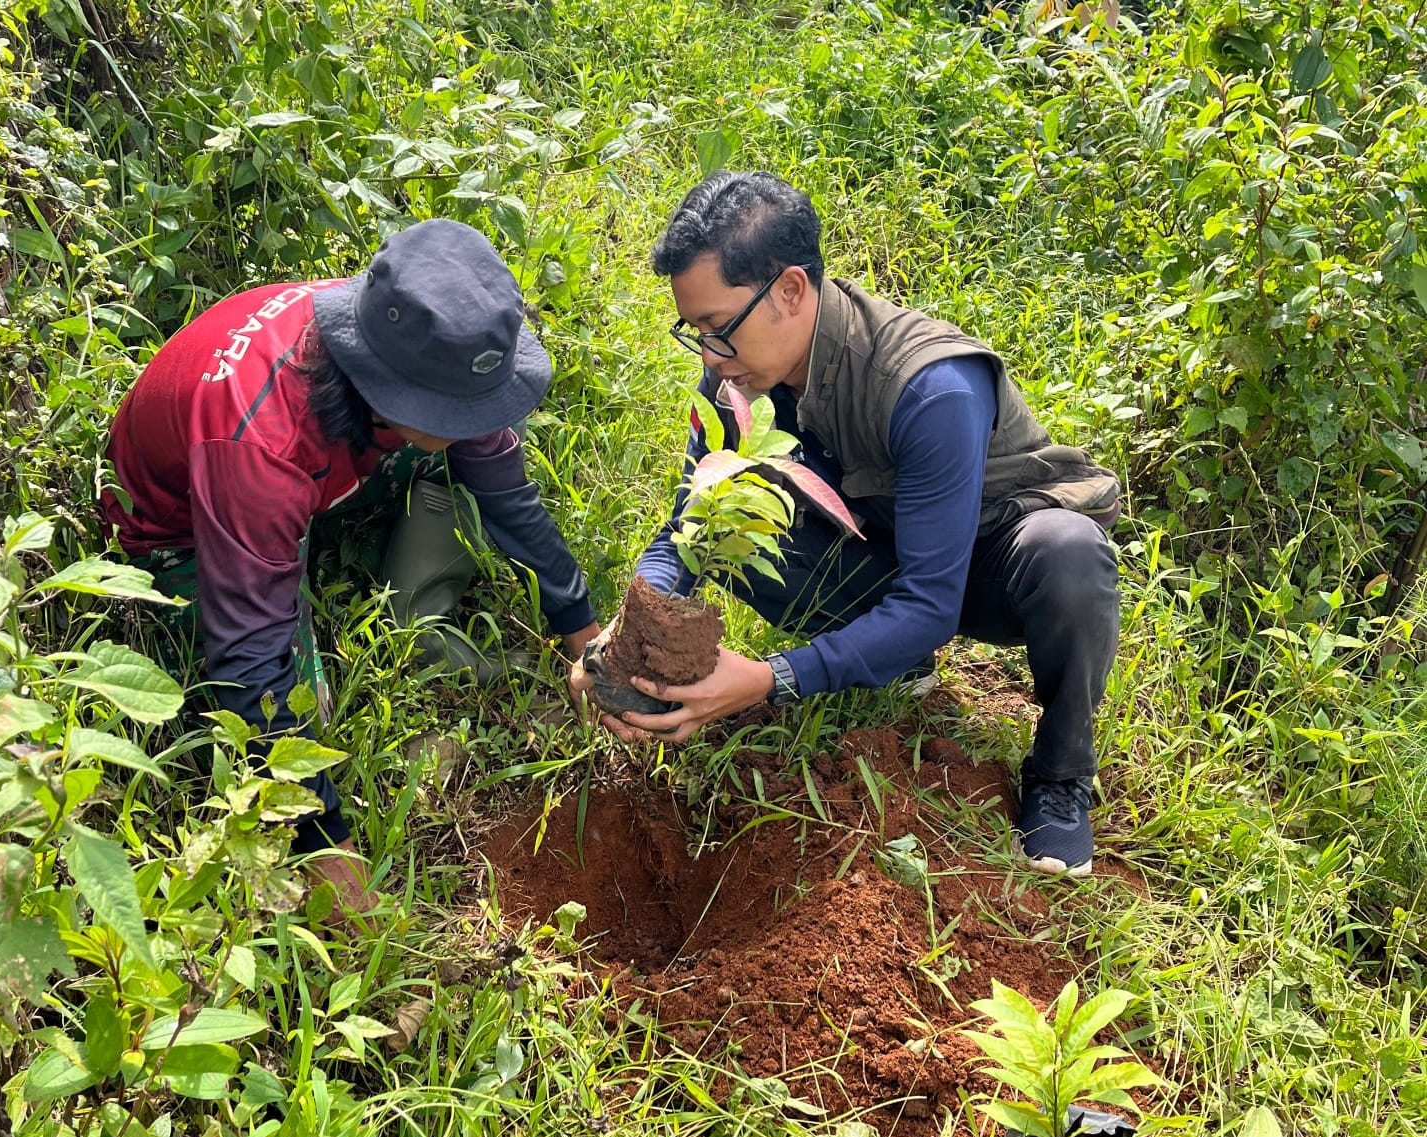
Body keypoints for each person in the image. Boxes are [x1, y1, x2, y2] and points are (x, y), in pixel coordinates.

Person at [570, 172, 1120, 876]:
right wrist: (628, 629)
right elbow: (689, 526)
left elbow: (932, 602)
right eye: (695, 332)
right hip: (886, 540)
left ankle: (1062, 775)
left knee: (1069, 552)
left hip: (991, 565)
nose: (708, 356)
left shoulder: (929, 386)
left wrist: (767, 678)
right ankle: (898, 660)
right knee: (737, 521)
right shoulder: (738, 379)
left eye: (719, 329)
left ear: (790, 291)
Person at [103, 219, 601, 909]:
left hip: (313, 461)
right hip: (186, 524)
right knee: (296, 712)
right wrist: (324, 844)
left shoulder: (420, 331)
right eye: (458, 411)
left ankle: (401, 604)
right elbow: (248, 655)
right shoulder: (260, 439)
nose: (479, 419)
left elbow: (507, 496)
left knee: (474, 465)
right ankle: (310, 559)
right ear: (391, 390)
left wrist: (585, 635)